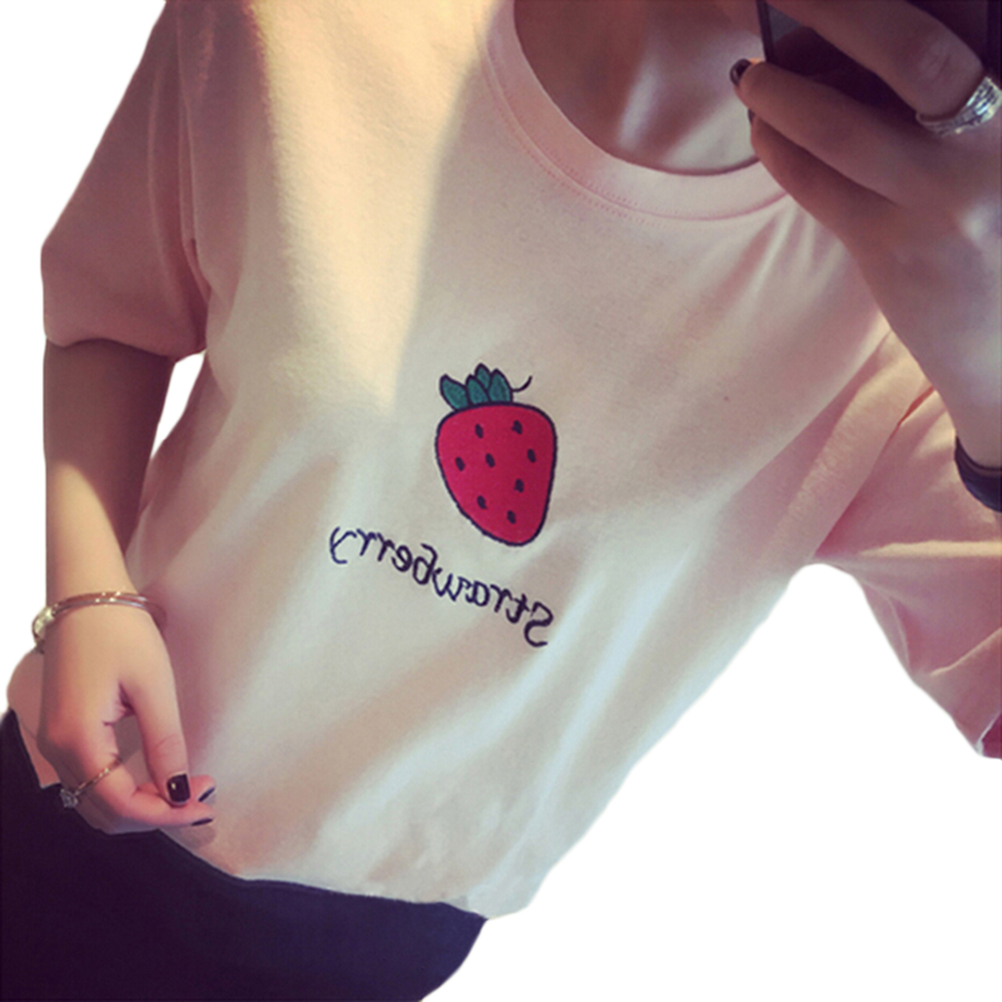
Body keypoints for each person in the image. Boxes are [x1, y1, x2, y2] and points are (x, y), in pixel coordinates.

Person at [2, 0, 999, 998]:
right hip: (73, 782)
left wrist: (991, 366)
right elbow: (114, 314)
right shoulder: (301, 27)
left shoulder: (913, 292)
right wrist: (87, 592)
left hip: (378, 929)